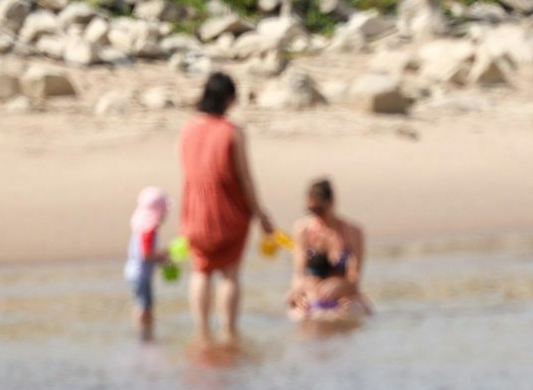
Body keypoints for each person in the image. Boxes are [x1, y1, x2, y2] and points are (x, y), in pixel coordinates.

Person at [178, 72, 274, 344]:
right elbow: (244, 177)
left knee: (201, 269)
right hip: (228, 212)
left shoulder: (187, 129)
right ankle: (230, 333)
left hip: (195, 211)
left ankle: (201, 332)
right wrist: (260, 213)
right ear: (229, 99)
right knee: (230, 273)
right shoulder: (232, 132)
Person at [287, 178, 369, 322]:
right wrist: (299, 292)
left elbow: (355, 278)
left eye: (320, 209)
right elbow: (299, 273)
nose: (315, 214)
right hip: (311, 294)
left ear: (331, 203)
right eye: (311, 210)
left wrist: (341, 285)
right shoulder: (303, 231)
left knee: (347, 316)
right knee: (303, 317)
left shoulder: (353, 232)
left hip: (344, 296)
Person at [124, 186, 170, 341]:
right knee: (144, 306)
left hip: (136, 272)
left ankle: (144, 332)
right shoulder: (148, 229)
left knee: (143, 303)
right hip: (140, 275)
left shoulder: (141, 226)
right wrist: (163, 256)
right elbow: (147, 253)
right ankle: (143, 333)